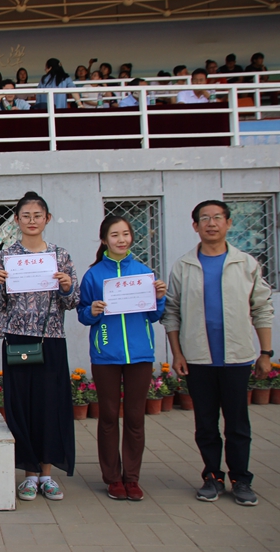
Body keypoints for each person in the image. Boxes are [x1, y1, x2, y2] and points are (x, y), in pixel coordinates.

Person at [163, 200, 274, 506]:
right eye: (204, 219)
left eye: (217, 218)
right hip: (199, 358)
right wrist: (177, 353)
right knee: (206, 423)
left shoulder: (246, 264)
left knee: (237, 423)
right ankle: (212, 475)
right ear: (195, 226)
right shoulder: (184, 266)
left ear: (228, 223)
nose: (211, 223)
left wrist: (265, 352)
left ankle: (241, 478)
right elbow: (171, 313)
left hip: (237, 357)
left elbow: (262, 308)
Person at [0, 191, 79, 502]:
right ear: (16, 220)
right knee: (22, 406)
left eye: (37, 215)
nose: (32, 220)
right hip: (17, 339)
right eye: (25, 216)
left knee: (50, 405)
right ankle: (29, 475)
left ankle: (47, 475)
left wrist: (66, 286)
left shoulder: (60, 256)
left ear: (47, 219)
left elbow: (73, 301)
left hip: (50, 339)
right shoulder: (6, 256)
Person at [78, 216, 166, 502]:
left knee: (135, 417)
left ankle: (132, 478)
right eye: (115, 235)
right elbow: (82, 314)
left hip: (140, 355)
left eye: (125, 234)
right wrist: (92, 310)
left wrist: (159, 297)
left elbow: (154, 315)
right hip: (106, 355)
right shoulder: (93, 275)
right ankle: (113, 478)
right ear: (104, 240)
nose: (121, 239)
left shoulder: (143, 273)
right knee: (108, 416)